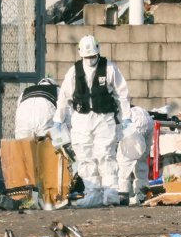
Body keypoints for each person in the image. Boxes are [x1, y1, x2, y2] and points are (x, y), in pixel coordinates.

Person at [53, 35, 130, 207]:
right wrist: (58, 120)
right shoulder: (73, 72)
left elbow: (122, 94)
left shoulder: (109, 68)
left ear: (98, 52)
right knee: (84, 156)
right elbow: (64, 97)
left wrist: (127, 117)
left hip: (104, 118)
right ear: (81, 55)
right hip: (81, 119)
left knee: (106, 155)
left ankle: (110, 193)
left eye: (93, 56)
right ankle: (92, 193)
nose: (90, 60)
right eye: (87, 57)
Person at [116, 105, 153, 205]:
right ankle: (142, 196)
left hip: (132, 121)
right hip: (147, 118)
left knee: (124, 160)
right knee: (142, 161)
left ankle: (123, 196)